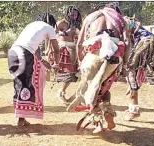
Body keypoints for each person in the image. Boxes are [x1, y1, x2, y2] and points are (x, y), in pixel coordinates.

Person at [68, 2, 131, 133]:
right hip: (113, 57)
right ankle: (106, 109)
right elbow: (127, 43)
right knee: (103, 88)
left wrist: (80, 62)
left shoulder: (91, 17)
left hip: (92, 55)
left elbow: (79, 44)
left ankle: (97, 119)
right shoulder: (121, 20)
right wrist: (124, 64)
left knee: (92, 86)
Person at [8, 13, 60, 126]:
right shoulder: (49, 28)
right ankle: (21, 120)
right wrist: (56, 64)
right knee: (26, 84)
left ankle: (21, 117)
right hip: (24, 54)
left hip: (13, 52)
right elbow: (56, 49)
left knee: (19, 84)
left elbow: (34, 48)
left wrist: (41, 60)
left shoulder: (31, 25)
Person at [48, 5, 82, 104]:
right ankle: (61, 92)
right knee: (69, 72)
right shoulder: (62, 23)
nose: (74, 15)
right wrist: (65, 33)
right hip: (64, 48)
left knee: (73, 73)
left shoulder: (77, 24)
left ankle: (62, 92)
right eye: (72, 13)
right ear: (68, 13)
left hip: (74, 48)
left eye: (76, 14)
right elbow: (52, 34)